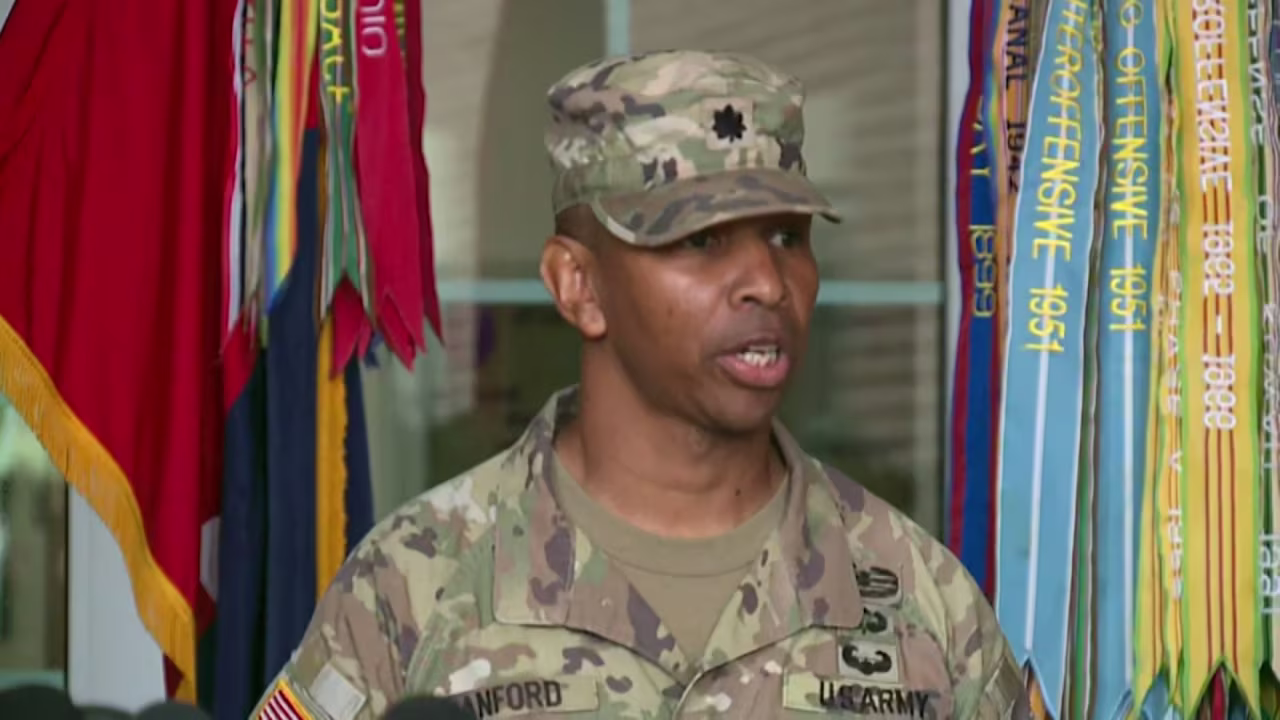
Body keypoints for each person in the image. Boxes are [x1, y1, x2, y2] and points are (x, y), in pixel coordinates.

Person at [252, 49, 1028, 720]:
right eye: (702, 240)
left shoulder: (919, 596)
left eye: (786, 236)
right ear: (578, 285)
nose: (767, 281)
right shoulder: (413, 583)